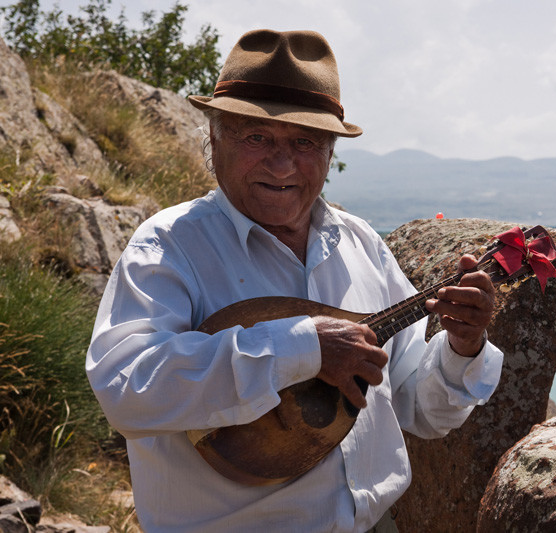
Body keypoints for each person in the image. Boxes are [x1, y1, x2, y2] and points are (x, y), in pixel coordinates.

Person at [86, 29, 503, 532]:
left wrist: (462, 347)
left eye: (304, 142)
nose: (282, 163)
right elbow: (126, 389)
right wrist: (301, 348)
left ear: (330, 154)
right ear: (214, 139)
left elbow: (420, 409)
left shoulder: (360, 243)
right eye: (256, 137)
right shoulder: (169, 246)